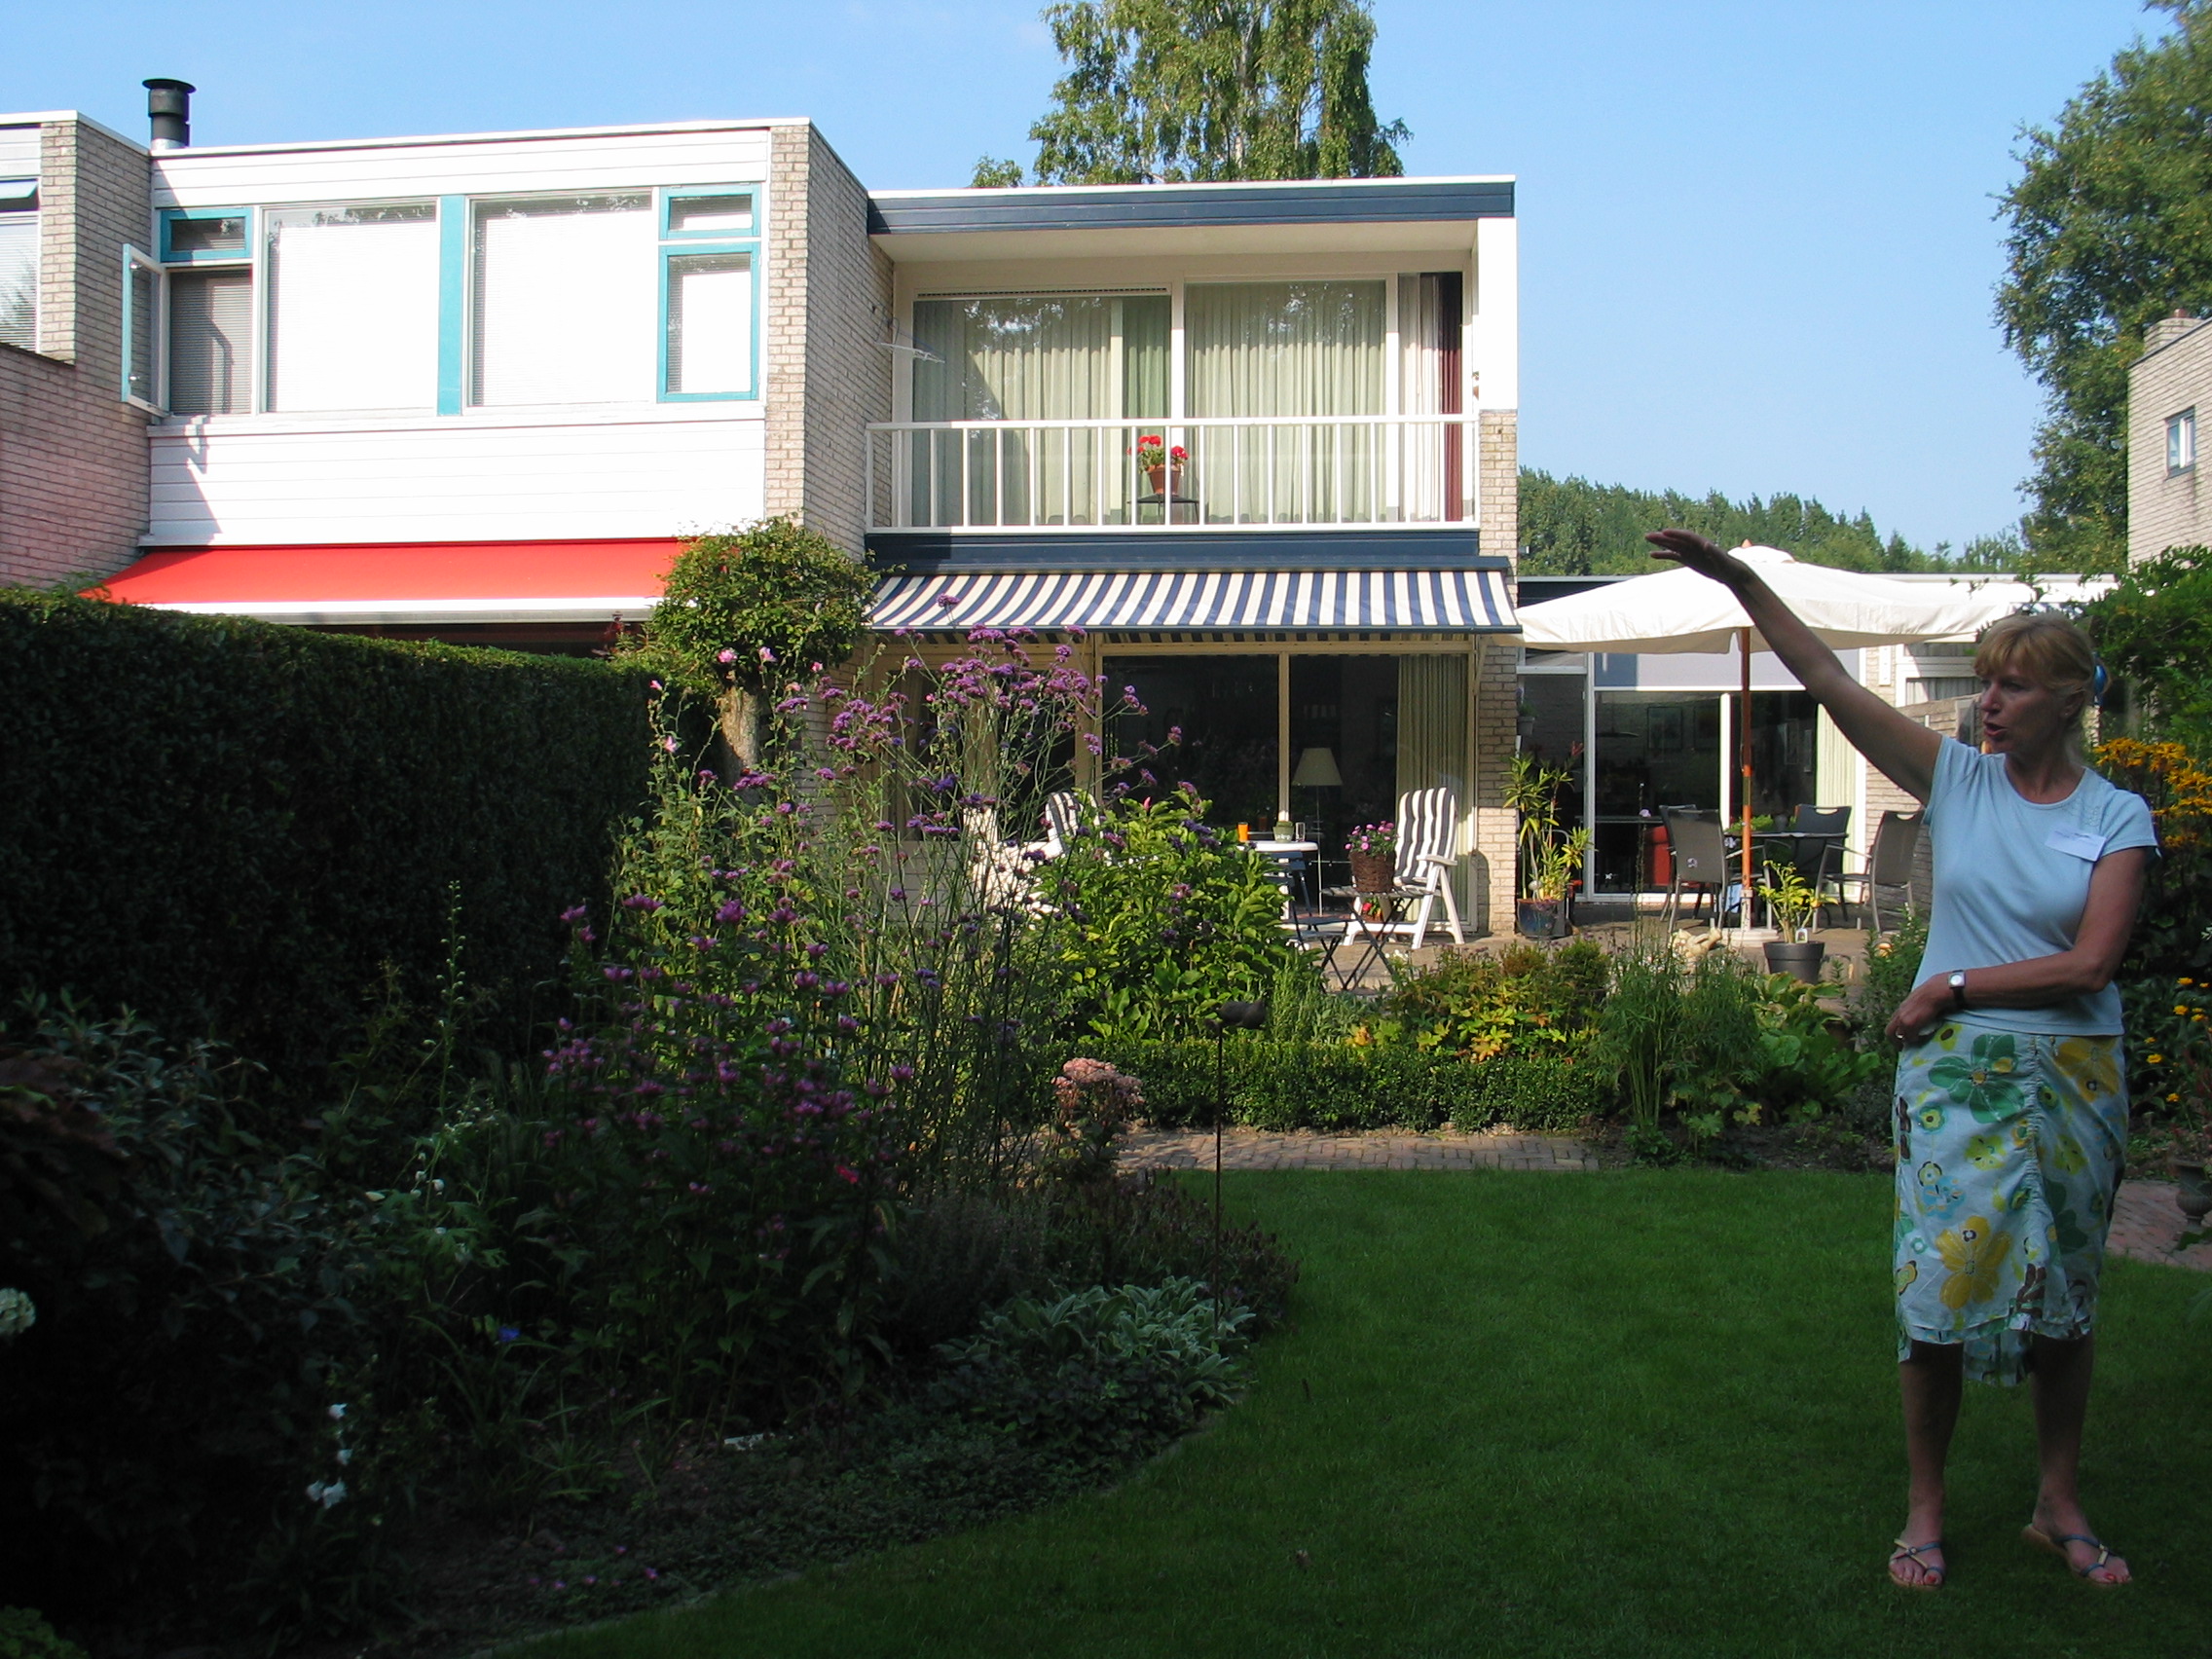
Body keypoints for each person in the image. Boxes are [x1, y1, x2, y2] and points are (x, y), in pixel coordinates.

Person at [1645, 529, 2157, 1591]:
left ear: (2070, 700)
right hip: (1957, 1082)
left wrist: (1952, 985)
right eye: (1985, 683)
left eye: (2013, 686)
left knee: (2067, 1297)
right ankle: (1925, 1509)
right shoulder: (1959, 780)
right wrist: (1744, 584)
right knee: (1935, 1293)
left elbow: (2092, 961)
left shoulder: (2117, 816)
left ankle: (2055, 1503)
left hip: (2074, 1079)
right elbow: (1828, 679)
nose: (1988, 704)